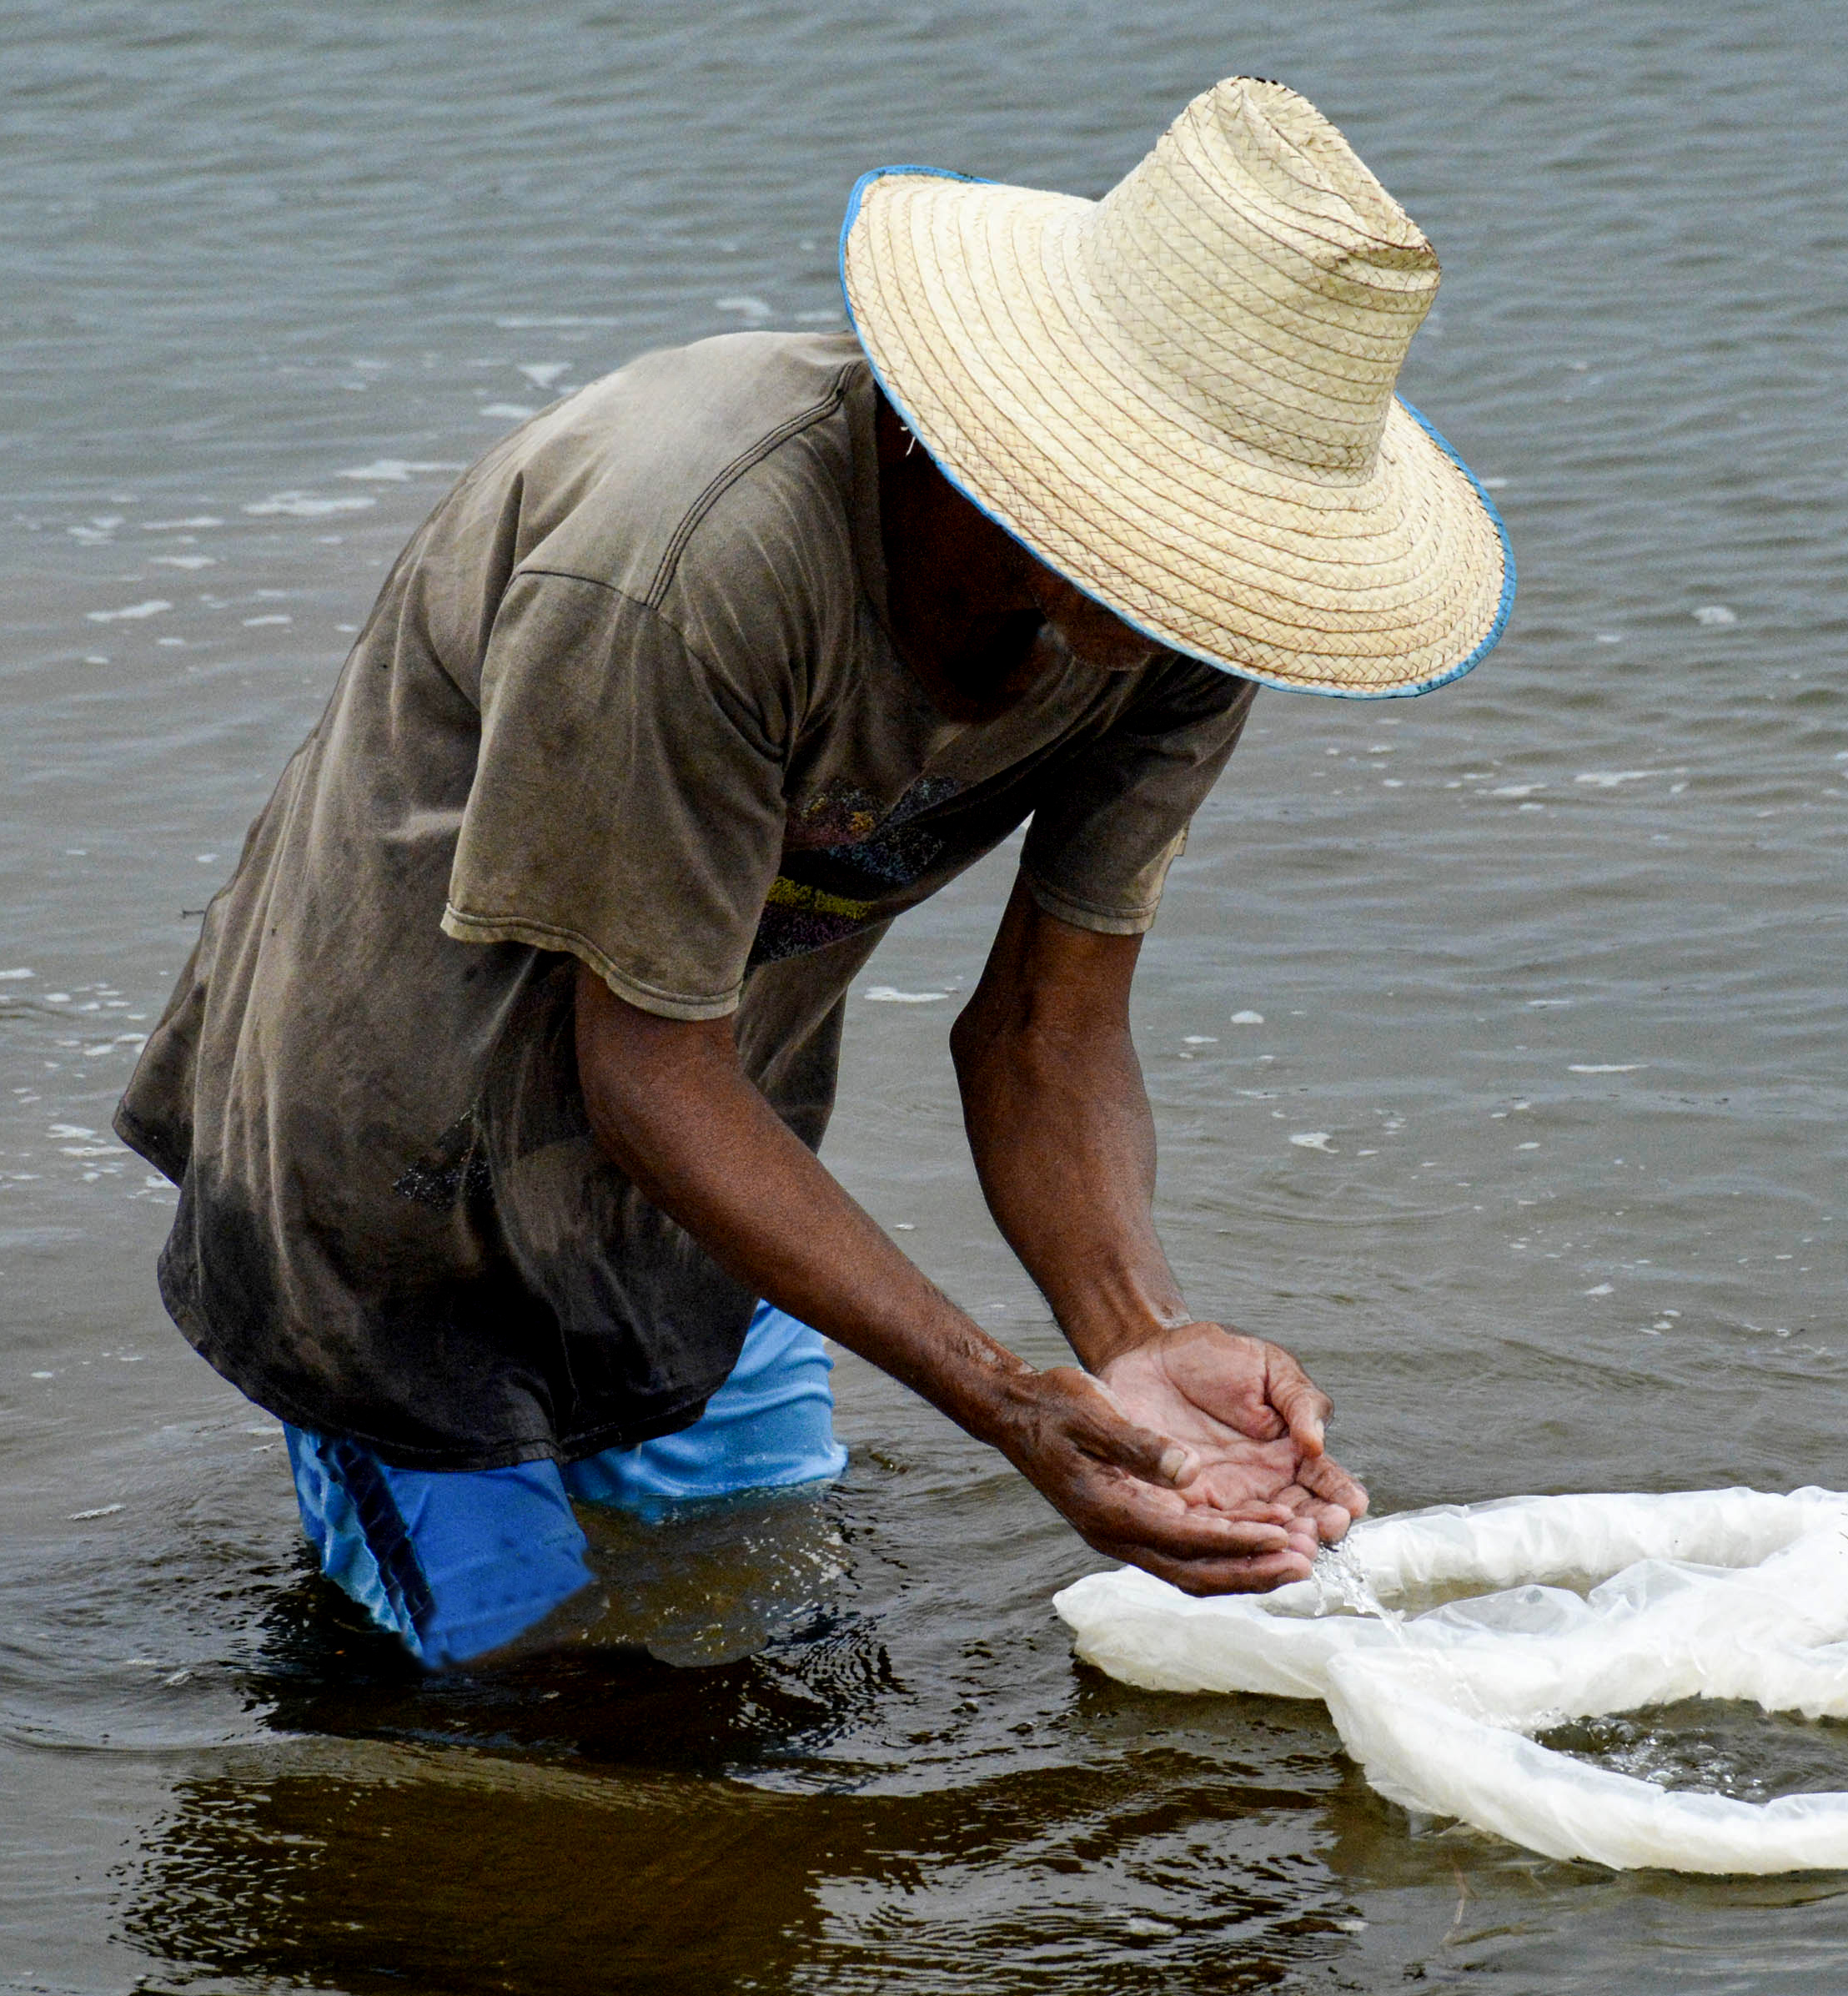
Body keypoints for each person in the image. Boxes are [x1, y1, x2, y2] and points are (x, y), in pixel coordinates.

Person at [113, 78, 1513, 1669]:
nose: (1205, 593)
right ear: (1017, 440)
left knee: (761, 1623)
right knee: (515, 1684)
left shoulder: (1176, 631)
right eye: (1178, 528)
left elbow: (1046, 1032)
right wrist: (996, 1401)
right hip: (391, 1163)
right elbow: (640, 1064)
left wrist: (1132, 1344)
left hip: (715, 1146)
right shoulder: (695, 555)